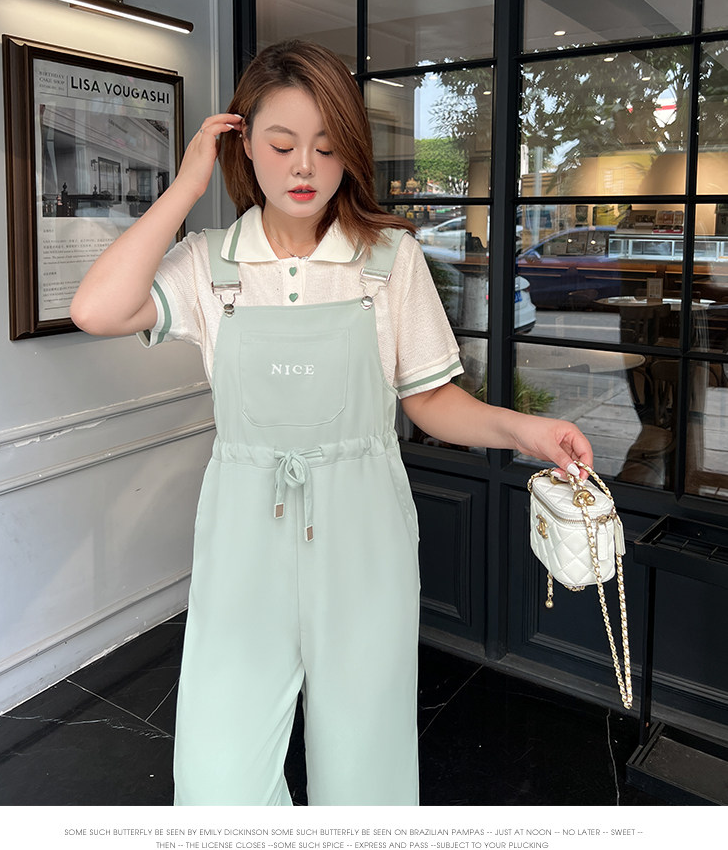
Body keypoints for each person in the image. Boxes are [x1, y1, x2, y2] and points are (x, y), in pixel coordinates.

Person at [71, 40, 592, 807]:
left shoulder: (388, 259)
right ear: (245, 144)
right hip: (244, 535)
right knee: (217, 780)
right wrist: (186, 186)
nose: (304, 167)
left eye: (325, 145)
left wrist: (527, 432)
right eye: (281, 144)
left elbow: (427, 400)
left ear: (349, 150)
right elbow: (95, 308)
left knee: (364, 770)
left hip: (362, 530)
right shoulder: (211, 262)